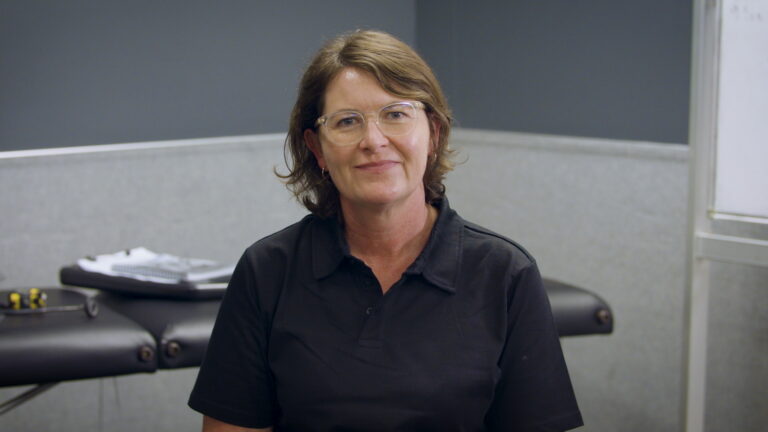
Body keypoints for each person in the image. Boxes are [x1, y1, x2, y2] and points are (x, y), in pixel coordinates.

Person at [188, 30, 583, 432]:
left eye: (395, 114)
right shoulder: (266, 271)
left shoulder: (505, 273)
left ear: (434, 133)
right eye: (347, 121)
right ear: (318, 149)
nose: (373, 141)